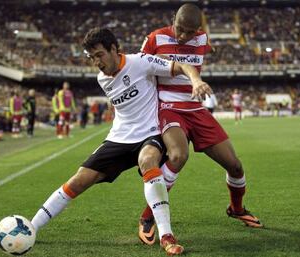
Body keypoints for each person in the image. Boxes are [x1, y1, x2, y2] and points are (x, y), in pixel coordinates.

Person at [31, 27, 211, 256]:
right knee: (78, 181)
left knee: (148, 160)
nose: (96, 62)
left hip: (150, 132)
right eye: (91, 57)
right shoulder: (101, 78)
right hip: (119, 138)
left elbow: (182, 66)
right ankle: (31, 227)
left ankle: (166, 235)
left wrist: (195, 80)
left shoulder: (140, 62)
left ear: (114, 49)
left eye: (99, 55)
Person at [138, 3, 263, 246]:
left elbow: (206, 46)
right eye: (179, 29)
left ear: (199, 30)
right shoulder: (155, 38)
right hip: (169, 108)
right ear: (172, 19)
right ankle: (147, 216)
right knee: (177, 156)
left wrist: (210, 48)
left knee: (235, 166)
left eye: (189, 32)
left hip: (196, 108)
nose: (183, 36)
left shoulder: (201, 38)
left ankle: (236, 209)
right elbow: (138, 64)